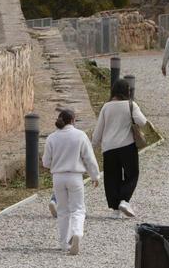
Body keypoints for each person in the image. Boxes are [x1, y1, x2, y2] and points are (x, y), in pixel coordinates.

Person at [42, 108, 101, 255]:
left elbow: (46, 162)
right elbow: (89, 158)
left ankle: (64, 243)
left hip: (58, 177)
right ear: (73, 120)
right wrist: (95, 176)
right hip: (75, 176)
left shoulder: (52, 138)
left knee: (62, 211)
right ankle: (76, 233)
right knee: (78, 209)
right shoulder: (80, 136)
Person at [92, 79, 147, 218]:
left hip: (109, 147)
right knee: (132, 174)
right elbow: (142, 122)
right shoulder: (131, 105)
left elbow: (98, 130)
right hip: (127, 146)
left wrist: (93, 145)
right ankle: (124, 200)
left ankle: (115, 210)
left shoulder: (106, 107)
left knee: (111, 178)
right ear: (127, 91)